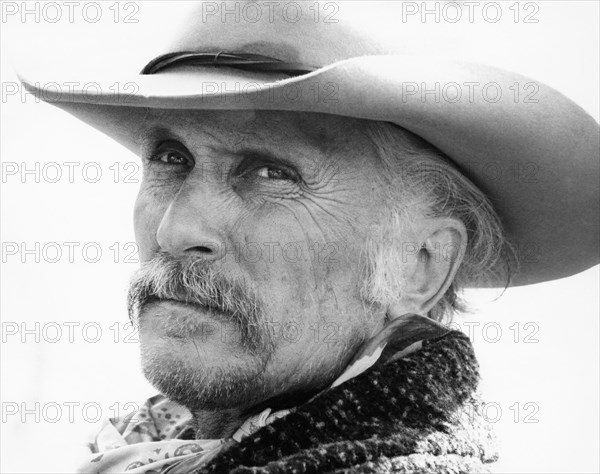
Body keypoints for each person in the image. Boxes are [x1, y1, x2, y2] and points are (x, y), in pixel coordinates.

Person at [18, 2, 599, 473]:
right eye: (171, 157)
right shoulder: (141, 446)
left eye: (272, 173)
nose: (177, 230)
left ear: (420, 265)